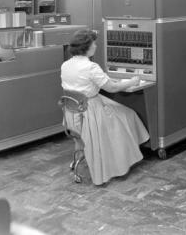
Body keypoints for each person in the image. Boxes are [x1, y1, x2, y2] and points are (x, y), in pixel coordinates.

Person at [61, 30, 150, 185]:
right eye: (93, 43)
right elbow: (112, 88)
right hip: (91, 112)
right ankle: (120, 161)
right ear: (86, 47)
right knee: (127, 115)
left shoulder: (65, 65)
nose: (95, 45)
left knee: (118, 110)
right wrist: (132, 81)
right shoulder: (90, 67)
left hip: (72, 114)